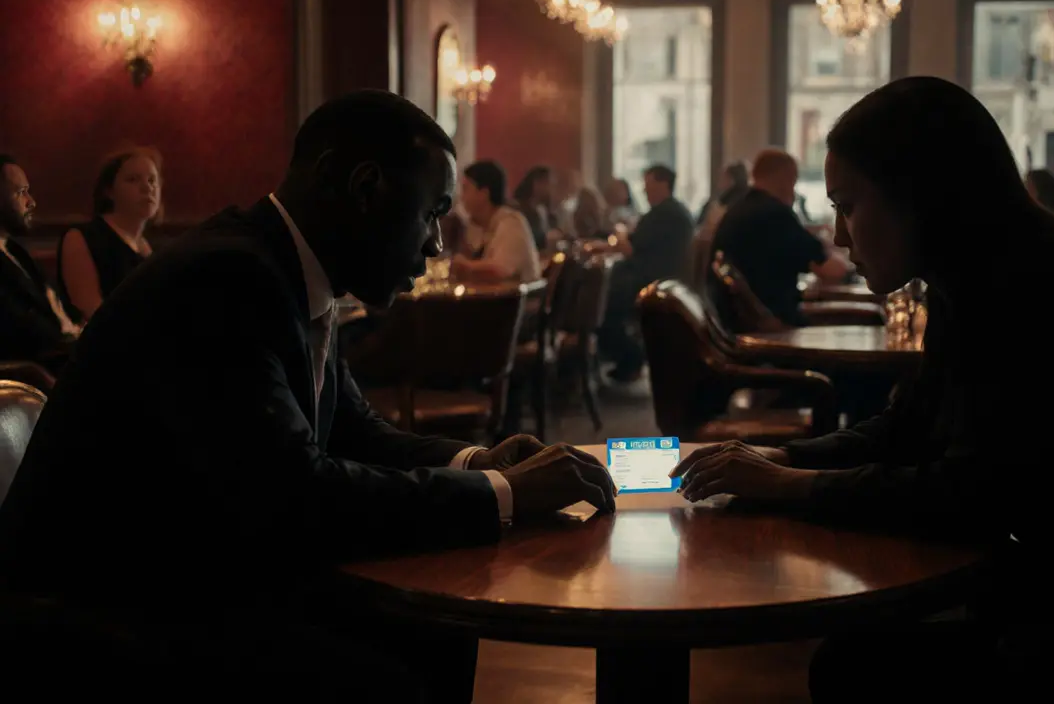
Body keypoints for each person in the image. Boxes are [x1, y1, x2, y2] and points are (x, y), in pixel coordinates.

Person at [0, 90, 615, 701]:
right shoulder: (226, 280)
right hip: (104, 613)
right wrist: (508, 493)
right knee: (399, 669)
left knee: (438, 629)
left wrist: (479, 463)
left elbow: (354, 430)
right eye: (431, 212)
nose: (435, 244)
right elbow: (295, 496)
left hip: (190, 567)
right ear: (364, 187)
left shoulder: (281, 269)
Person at [672, 77, 1054, 699]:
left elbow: (974, 493)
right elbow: (909, 426)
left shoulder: (1028, 282)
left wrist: (797, 485)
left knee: (854, 667)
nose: (839, 236)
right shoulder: (980, 270)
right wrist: (783, 458)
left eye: (847, 205)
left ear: (917, 193)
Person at [710, 149, 847, 329]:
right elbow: (833, 270)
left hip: (738, 328)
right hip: (776, 329)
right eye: (794, 182)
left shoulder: (739, 210)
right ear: (787, 179)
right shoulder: (775, 215)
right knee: (872, 318)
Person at [598, 164, 694, 382]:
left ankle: (631, 357)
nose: (644, 190)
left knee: (597, 302)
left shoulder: (664, 214)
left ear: (662, 184)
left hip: (650, 282)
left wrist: (619, 235)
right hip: (661, 279)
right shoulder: (673, 212)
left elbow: (630, 249)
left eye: (648, 185)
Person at [57, 147, 161, 320]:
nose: (147, 187)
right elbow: (93, 313)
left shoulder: (151, 248)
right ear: (109, 191)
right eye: (133, 180)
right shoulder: (81, 237)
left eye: (152, 180)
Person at [0, 155, 81, 367]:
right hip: (43, 373)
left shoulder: (15, 251)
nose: (31, 202)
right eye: (20, 192)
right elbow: (21, 333)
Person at [451, 160, 540, 284]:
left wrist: (464, 265)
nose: (462, 197)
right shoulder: (482, 225)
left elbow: (501, 271)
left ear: (483, 194)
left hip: (519, 302)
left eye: (466, 189)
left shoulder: (511, 223)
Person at [696, 160, 750, 231]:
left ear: (731, 179)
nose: (719, 180)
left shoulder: (723, 205)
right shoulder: (752, 198)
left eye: (723, 177)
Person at [512, 165, 556, 250]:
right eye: (548, 184)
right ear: (537, 184)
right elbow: (523, 237)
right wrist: (546, 238)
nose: (551, 189)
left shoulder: (545, 210)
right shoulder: (518, 210)